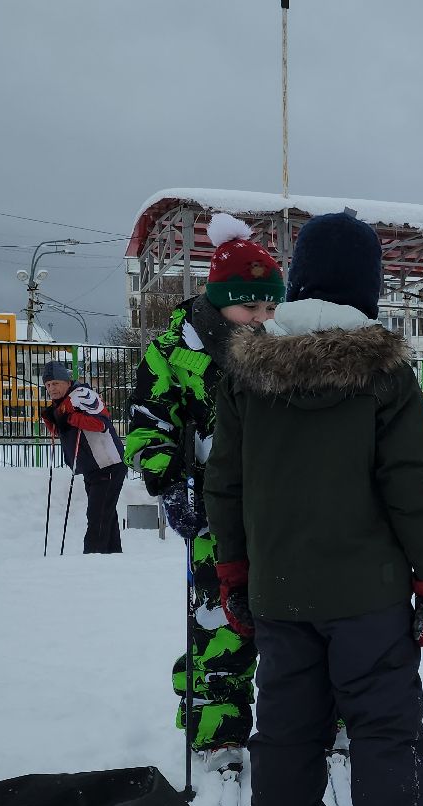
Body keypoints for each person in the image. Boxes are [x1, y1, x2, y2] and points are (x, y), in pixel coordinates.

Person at [206, 210, 423, 806]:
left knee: (287, 715)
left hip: (279, 587)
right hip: (368, 592)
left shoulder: (246, 373)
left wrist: (233, 568)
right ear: (368, 288)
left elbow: (224, 482)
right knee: (383, 719)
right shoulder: (386, 376)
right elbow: (408, 487)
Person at [125, 212, 281, 754]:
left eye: (268, 307)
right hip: (213, 508)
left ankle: (306, 718)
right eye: (250, 306)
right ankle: (217, 724)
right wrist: (168, 480)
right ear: (218, 298)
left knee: (292, 618)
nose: (260, 317)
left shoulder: (280, 346)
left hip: (280, 510)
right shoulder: (174, 350)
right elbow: (149, 419)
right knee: (220, 619)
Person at [39, 359, 125, 554]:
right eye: (48, 385)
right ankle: (113, 558)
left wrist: (69, 418)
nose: (52, 388)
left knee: (98, 516)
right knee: (105, 516)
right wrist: (53, 420)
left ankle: (93, 559)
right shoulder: (61, 403)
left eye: (56, 383)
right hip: (93, 467)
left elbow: (101, 423)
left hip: (107, 464)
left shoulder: (81, 395)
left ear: (67, 382)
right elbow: (64, 431)